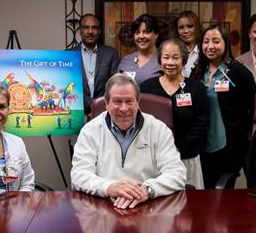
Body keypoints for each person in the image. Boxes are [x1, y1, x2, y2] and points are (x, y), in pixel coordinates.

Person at [71, 74, 186, 209]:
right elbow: (79, 175)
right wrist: (109, 187)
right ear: (107, 103)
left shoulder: (158, 129)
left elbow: (177, 173)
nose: (124, 108)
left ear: (138, 102)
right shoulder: (90, 131)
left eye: (129, 101)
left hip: (149, 207)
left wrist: (147, 190)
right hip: (104, 208)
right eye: (117, 101)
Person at [190, 25, 256, 189]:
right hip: (201, 146)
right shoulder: (198, 72)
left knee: (221, 195)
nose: (210, 46)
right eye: (206, 42)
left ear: (226, 44)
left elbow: (254, 107)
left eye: (216, 41)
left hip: (229, 146)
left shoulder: (238, 72)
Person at [140, 38, 207, 189]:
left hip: (187, 157)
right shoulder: (146, 87)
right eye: (166, 57)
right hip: (154, 159)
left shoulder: (196, 88)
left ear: (184, 61)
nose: (170, 62)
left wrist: (178, 148)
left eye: (175, 58)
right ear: (159, 60)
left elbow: (200, 124)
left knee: (191, 205)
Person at [69, 14, 121, 114]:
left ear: (100, 31)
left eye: (94, 28)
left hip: (104, 111)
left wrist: (99, 105)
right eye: (86, 27)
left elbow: (115, 84)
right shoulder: (68, 55)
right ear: (80, 31)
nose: (90, 32)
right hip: (77, 111)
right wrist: (89, 104)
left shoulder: (110, 54)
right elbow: (67, 84)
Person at [117, 14, 163, 85]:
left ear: (156, 35)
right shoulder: (127, 60)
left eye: (146, 32)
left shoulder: (164, 59)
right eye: (137, 32)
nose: (141, 36)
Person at [172, 11, 202, 78]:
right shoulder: (171, 51)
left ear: (197, 27)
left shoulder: (204, 52)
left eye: (190, 26)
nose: (186, 31)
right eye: (181, 27)